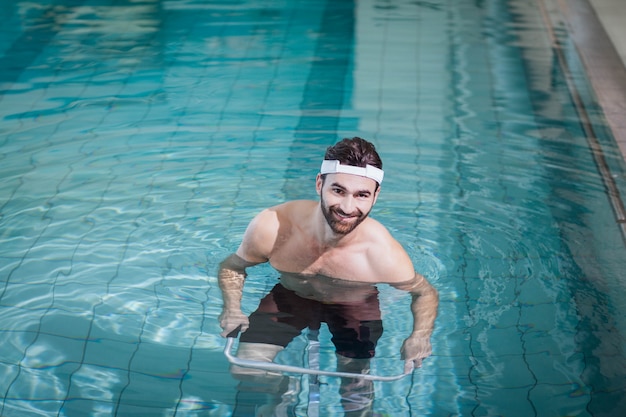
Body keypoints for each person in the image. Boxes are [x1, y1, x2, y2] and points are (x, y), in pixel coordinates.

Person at [218, 137, 439, 416]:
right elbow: (233, 266)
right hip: (292, 295)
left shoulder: (382, 254)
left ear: (375, 196)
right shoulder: (274, 227)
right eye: (338, 190)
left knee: (354, 382)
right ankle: (283, 386)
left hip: (354, 305)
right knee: (244, 368)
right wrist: (232, 308)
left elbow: (424, 291)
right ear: (319, 184)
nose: (347, 207)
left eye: (361, 195)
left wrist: (420, 335)